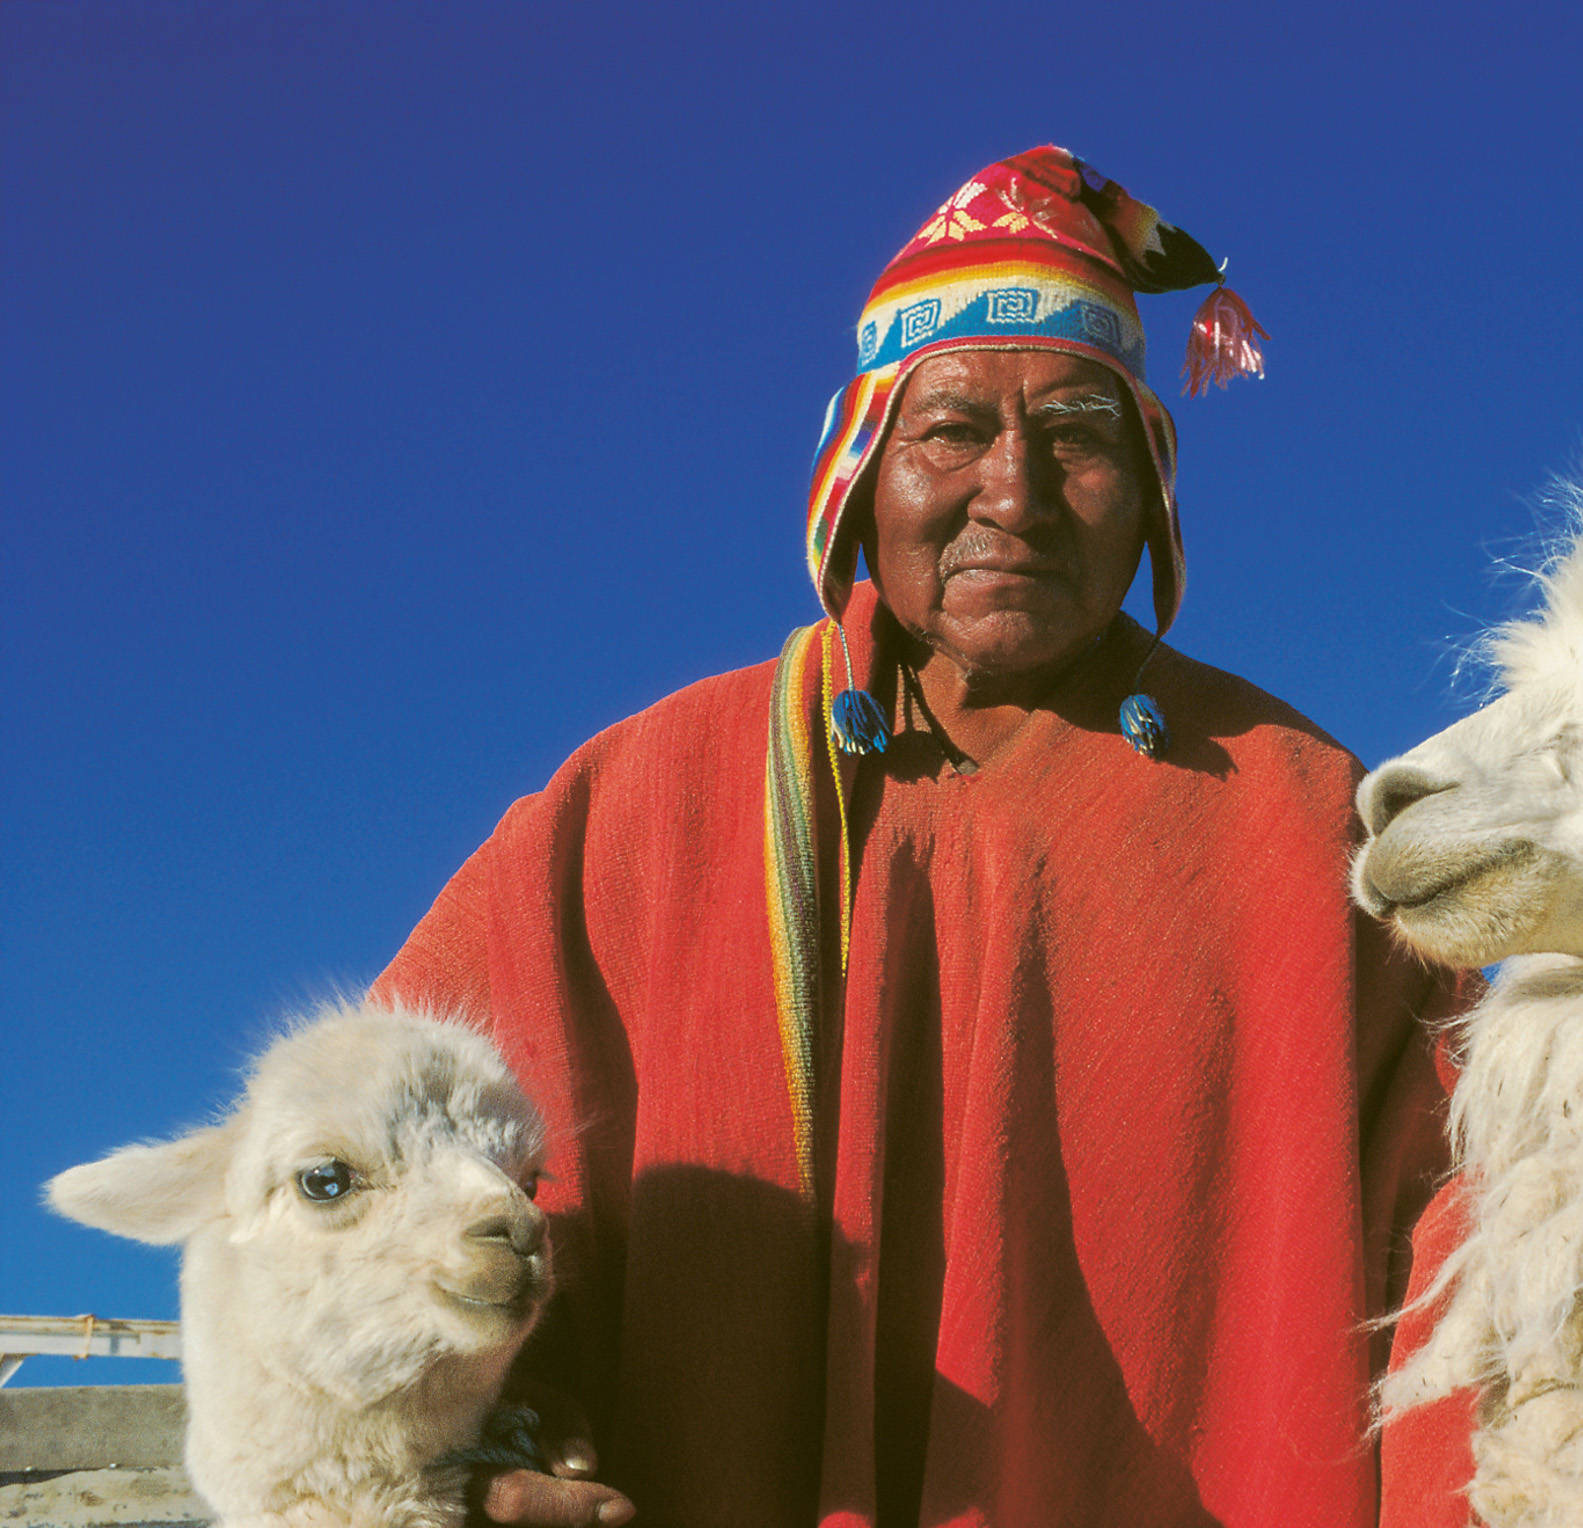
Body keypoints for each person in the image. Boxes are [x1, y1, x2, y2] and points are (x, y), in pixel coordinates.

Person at [370, 146, 1460, 1528]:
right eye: (952, 431)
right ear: (861, 468)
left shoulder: (1297, 820)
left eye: (1078, 434)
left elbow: (1473, 1220)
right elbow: (369, 1144)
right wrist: (460, 1440)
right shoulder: (650, 798)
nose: (1015, 492)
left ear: (1152, 487)